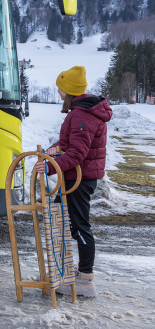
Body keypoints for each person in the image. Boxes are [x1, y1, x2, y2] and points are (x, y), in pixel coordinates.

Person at [33, 65, 111, 298]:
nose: (58, 92)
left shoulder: (81, 114)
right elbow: (72, 143)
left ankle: (85, 278)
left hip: (78, 179)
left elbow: (78, 153)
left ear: (69, 90)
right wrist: (57, 147)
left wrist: (49, 166)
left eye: (61, 88)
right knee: (59, 221)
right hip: (75, 178)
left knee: (78, 225)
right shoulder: (81, 112)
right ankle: (60, 272)